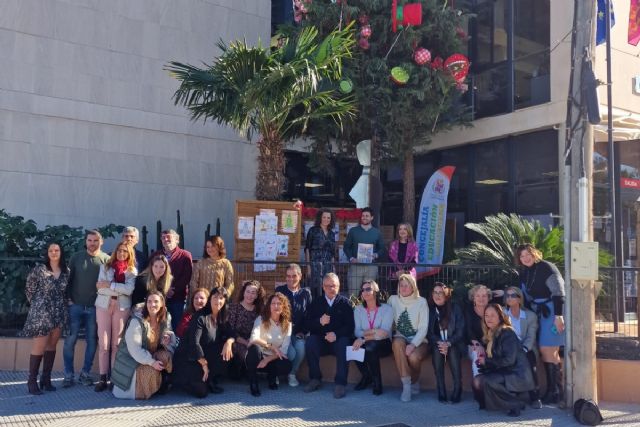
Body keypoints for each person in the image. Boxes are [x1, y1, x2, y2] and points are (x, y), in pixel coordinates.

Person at [514, 243, 565, 405]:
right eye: (521, 256)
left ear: (535, 253)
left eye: (527, 254)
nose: (525, 258)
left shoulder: (547, 267)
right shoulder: (524, 273)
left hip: (552, 311)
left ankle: (556, 390)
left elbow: (559, 292)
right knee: (545, 350)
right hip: (537, 313)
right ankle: (553, 390)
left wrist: (559, 316)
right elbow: (522, 294)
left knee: (547, 348)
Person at [20, 242, 70, 395]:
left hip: (58, 312)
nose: (54, 253)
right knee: (39, 346)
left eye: (57, 250)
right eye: (51, 250)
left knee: (52, 345)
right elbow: (29, 289)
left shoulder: (66, 271)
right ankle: (31, 381)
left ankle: (46, 379)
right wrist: (38, 304)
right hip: (41, 312)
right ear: (47, 253)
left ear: (61, 252)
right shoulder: (39, 270)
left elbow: (65, 291)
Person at [63, 230, 110, 387]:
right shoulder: (76, 257)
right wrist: (68, 299)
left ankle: (85, 374)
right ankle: (68, 375)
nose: (92, 243)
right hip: (75, 305)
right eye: (89, 240)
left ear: (101, 242)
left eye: (95, 240)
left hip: (95, 308)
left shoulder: (106, 260)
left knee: (92, 341)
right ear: (86, 241)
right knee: (70, 340)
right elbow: (67, 280)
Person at [171, 287, 236, 398]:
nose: (218, 301)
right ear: (210, 299)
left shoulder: (221, 316)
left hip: (204, 355)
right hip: (189, 357)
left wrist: (229, 342)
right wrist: (204, 365)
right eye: (215, 297)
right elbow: (194, 343)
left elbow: (232, 334)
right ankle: (177, 380)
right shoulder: (200, 316)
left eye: (221, 298)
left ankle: (210, 379)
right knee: (201, 392)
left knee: (228, 347)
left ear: (225, 301)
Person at [111, 291, 176, 400]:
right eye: (149, 301)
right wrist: (152, 363)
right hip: (133, 361)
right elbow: (135, 350)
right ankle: (142, 392)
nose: (152, 305)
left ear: (161, 304)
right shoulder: (137, 321)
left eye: (156, 301)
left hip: (149, 355)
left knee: (166, 356)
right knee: (152, 370)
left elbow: (168, 331)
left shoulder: (163, 318)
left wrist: (167, 337)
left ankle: (162, 382)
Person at [472, 303, 535, 417]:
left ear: (500, 317)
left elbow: (509, 360)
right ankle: (489, 403)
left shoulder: (507, 333)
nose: (489, 318)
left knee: (488, 381)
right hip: (505, 370)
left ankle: (515, 404)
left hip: (516, 373)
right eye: (486, 315)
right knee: (477, 381)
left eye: (492, 315)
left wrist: (486, 362)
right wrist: (483, 362)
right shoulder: (491, 333)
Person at [94, 242, 137, 392]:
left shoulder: (132, 271)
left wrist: (109, 285)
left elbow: (130, 290)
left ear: (129, 253)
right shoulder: (105, 267)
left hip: (122, 307)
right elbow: (100, 290)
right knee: (104, 344)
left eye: (125, 251)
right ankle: (102, 377)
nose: (121, 253)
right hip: (103, 306)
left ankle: (114, 378)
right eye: (119, 250)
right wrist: (119, 289)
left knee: (116, 344)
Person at [303, 272, 354, 399]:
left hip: (338, 341)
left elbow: (350, 327)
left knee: (344, 343)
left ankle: (340, 383)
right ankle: (315, 379)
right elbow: (307, 324)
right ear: (323, 287)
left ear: (339, 286)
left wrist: (336, 334)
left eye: (334, 286)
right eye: (328, 286)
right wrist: (319, 322)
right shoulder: (316, 303)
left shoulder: (345, 303)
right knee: (310, 342)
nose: (332, 289)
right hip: (321, 341)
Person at [388, 273, 429, 402]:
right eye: (401, 286)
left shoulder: (421, 302)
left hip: (419, 340)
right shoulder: (392, 300)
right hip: (400, 337)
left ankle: (415, 381)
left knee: (413, 357)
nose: (404, 288)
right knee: (397, 343)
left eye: (407, 285)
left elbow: (423, 328)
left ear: (413, 287)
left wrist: (413, 345)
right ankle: (406, 384)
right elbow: (387, 321)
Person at [246, 293, 293, 396]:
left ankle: (272, 377)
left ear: (284, 306)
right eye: (273, 303)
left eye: (279, 303)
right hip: (258, 356)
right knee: (254, 349)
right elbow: (253, 339)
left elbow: (284, 350)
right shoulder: (261, 319)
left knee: (286, 364)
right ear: (269, 306)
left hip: (272, 358)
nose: (276, 306)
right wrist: (271, 346)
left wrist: (266, 360)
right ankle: (253, 382)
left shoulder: (288, 325)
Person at [351, 279, 393, 396]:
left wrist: (365, 337)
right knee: (351, 343)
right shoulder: (358, 310)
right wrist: (374, 331)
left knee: (370, 346)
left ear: (375, 291)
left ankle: (377, 382)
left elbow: (384, 333)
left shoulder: (387, 309)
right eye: (363, 290)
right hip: (368, 343)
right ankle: (366, 376)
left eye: (368, 289)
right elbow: (357, 331)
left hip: (384, 344)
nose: (365, 292)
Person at [503, 286, 541, 409]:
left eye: (513, 295)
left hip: (526, 348)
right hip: (508, 349)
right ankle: (512, 394)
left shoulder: (530, 316)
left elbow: (531, 336)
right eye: (507, 295)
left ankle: (534, 396)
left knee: (529, 362)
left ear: (519, 299)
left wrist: (524, 349)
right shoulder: (502, 313)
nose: (509, 298)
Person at [428, 282, 465, 403]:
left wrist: (448, 343)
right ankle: (441, 389)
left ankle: (457, 388)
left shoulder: (455, 308)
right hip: (438, 344)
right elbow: (429, 333)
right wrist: (440, 343)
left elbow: (460, 331)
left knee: (453, 351)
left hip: (454, 343)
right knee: (436, 351)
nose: (437, 295)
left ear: (446, 295)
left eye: (441, 293)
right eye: (435, 292)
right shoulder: (430, 310)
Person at [275, 264, 312, 387]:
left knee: (301, 348)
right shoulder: (280, 291)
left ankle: (292, 374)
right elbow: (274, 313)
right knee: (291, 353)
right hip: (282, 332)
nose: (291, 279)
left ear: (300, 276)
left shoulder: (306, 293)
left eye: (294, 276)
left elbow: (308, 315)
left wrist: (304, 331)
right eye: (288, 276)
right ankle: (276, 373)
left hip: (297, 332)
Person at [152, 229, 192, 331]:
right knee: (159, 326)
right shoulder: (155, 255)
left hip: (178, 298)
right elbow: (151, 275)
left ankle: (176, 346)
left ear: (177, 240)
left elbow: (187, 276)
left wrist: (173, 290)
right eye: (163, 238)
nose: (165, 239)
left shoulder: (185, 255)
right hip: (158, 298)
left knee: (177, 325)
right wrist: (163, 290)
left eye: (168, 237)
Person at [343, 207, 386, 294]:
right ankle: (354, 308)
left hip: (371, 267)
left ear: (372, 218)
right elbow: (346, 247)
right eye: (363, 216)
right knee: (353, 293)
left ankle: (367, 308)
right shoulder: (353, 231)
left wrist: (376, 254)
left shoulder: (377, 232)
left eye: (367, 216)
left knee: (369, 293)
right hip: (356, 266)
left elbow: (382, 248)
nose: (364, 217)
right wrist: (351, 258)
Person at [227, 280, 264, 378]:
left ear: (257, 295)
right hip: (236, 340)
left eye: (253, 293)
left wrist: (252, 340)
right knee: (249, 351)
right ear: (243, 292)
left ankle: (252, 374)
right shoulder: (234, 307)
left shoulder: (259, 310)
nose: (250, 295)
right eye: (248, 292)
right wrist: (246, 342)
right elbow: (231, 330)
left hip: (253, 339)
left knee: (257, 349)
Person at [304, 209, 336, 298]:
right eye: (324, 217)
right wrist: (308, 266)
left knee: (327, 290)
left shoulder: (332, 234)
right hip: (315, 265)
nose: (326, 219)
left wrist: (334, 268)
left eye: (328, 218)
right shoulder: (313, 230)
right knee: (314, 291)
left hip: (328, 266)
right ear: (320, 218)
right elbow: (307, 249)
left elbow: (332, 252)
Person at [465, 285, 492, 360]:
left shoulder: (493, 310)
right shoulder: (469, 311)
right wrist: (477, 345)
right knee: (478, 355)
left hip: (491, 343)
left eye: (484, 296)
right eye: (478, 296)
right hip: (473, 344)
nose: (481, 298)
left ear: (488, 298)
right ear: (473, 298)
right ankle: (478, 372)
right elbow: (469, 332)